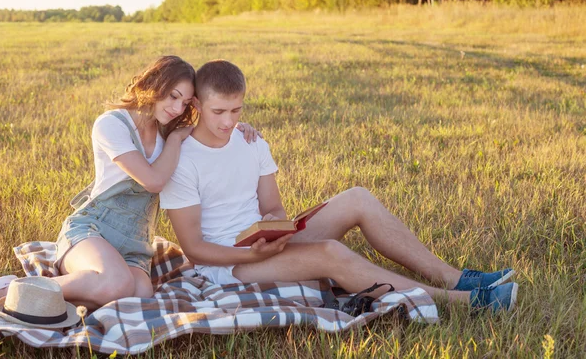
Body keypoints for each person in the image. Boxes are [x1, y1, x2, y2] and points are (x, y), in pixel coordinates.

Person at [160, 59, 519, 313]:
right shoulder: (183, 158)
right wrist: (250, 254)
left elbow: (274, 207)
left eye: (236, 110)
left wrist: (273, 231)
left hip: (261, 243)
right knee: (331, 253)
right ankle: (462, 303)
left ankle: (455, 279)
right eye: (218, 112)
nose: (229, 121)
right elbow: (195, 248)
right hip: (228, 265)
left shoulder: (251, 141)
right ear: (197, 105)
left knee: (358, 197)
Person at [0, 56, 261, 311]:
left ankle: (77, 288)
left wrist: (238, 127)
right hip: (94, 229)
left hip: (135, 246)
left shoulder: (168, 130)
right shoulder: (112, 125)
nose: (178, 108)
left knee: (140, 294)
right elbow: (153, 181)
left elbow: (213, 127)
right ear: (153, 85)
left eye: (185, 102)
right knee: (116, 284)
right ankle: (11, 291)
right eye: (172, 96)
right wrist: (176, 140)